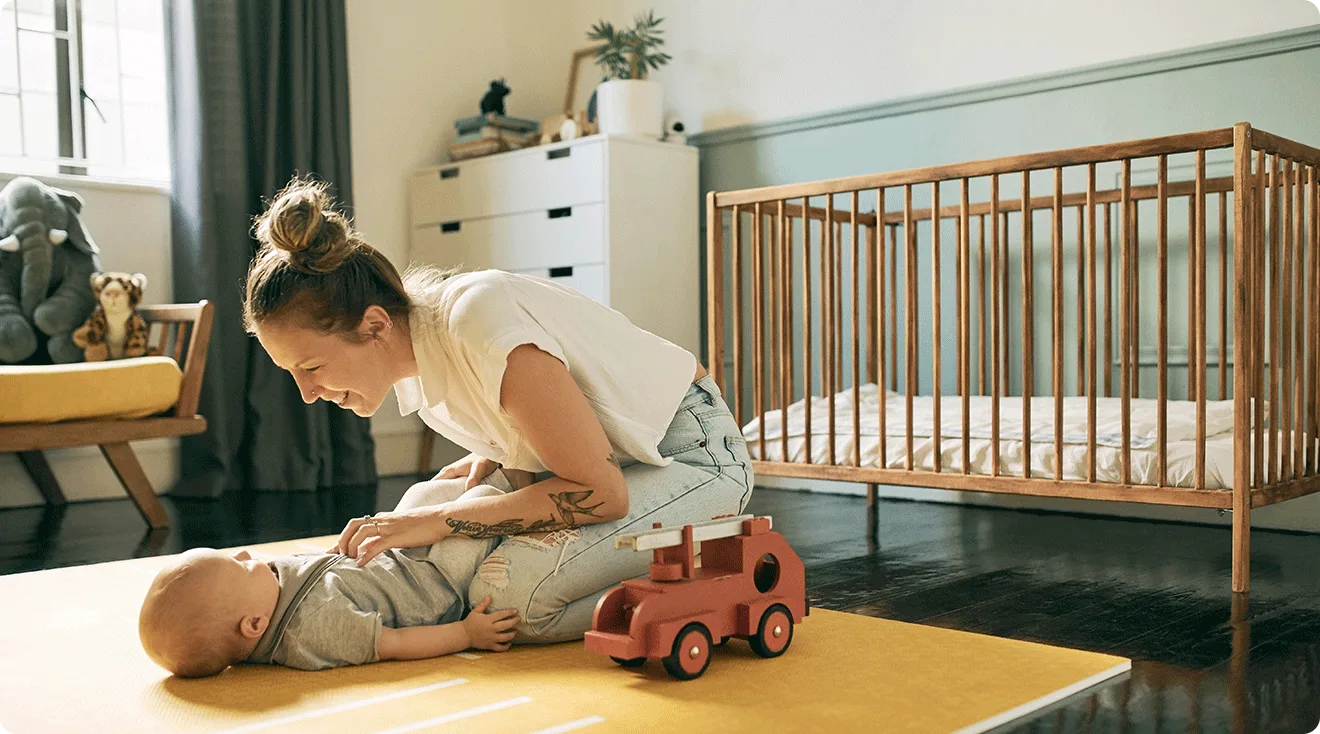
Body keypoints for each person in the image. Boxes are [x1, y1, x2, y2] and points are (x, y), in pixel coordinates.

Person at [242, 176, 753, 644]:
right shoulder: (422, 369)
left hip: (693, 457)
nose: (307, 393)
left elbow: (601, 493)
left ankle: (703, 578)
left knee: (512, 603)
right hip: (609, 464)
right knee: (428, 514)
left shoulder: (478, 323)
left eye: (310, 366)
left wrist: (443, 520)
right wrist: (460, 493)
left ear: (375, 326)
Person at [139, 479, 520, 677]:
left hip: (391, 556)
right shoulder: (313, 630)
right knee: (482, 499)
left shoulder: (263, 594)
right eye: (240, 566)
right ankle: (529, 488)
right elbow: (397, 642)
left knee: (425, 492)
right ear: (254, 624)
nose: (243, 554)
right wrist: (466, 635)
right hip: (429, 582)